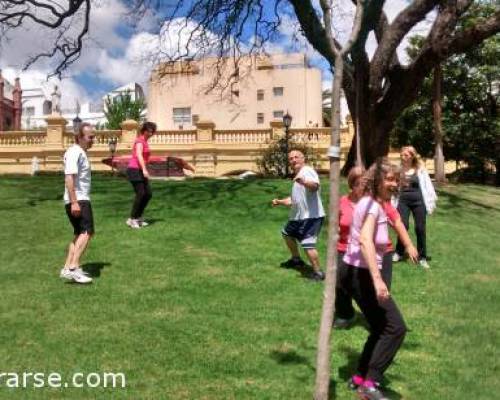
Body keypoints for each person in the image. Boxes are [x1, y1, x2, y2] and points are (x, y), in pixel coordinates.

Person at [341, 158, 407, 400]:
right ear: (376, 180)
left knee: (380, 326)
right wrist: (378, 280)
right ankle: (370, 385)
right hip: (362, 274)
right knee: (395, 327)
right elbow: (366, 240)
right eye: (389, 179)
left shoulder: (370, 203)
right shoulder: (372, 206)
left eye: (396, 180)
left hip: (353, 272)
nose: (394, 184)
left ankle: (360, 376)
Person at [334, 167, 418, 329]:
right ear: (352, 185)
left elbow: (397, 222)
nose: (364, 189)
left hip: (381, 250)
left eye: (366, 185)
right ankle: (345, 315)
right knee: (340, 284)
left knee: (380, 287)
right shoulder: (342, 202)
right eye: (360, 184)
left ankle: (379, 319)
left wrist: (408, 245)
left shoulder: (379, 202)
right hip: (346, 248)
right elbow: (336, 224)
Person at [272, 150, 326, 281]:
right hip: (298, 217)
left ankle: (318, 273)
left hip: (312, 216)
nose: (293, 160)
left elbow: (314, 186)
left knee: (307, 244)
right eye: (291, 158)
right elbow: (294, 199)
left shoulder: (307, 171)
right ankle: (296, 259)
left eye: (296, 157)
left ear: (303, 159)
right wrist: (280, 202)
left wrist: (303, 182)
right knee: (286, 233)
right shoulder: (298, 176)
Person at [59, 123, 95, 284]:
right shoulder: (75, 152)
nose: (93, 140)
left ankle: (67, 268)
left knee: (79, 233)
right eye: (90, 137)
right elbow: (69, 177)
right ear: (80, 137)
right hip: (78, 199)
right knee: (87, 232)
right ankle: (74, 267)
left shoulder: (79, 152)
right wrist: (74, 202)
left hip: (78, 198)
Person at [393, 146, 437, 269]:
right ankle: (399, 252)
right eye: (402, 155)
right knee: (403, 226)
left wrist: (431, 203)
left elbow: (428, 186)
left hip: (419, 202)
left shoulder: (420, 169)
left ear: (412, 156)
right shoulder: (398, 169)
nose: (403, 157)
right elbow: (393, 186)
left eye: (406, 155)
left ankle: (422, 257)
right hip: (402, 201)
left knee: (420, 228)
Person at [126, 121, 157, 229]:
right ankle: (132, 219)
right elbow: (139, 155)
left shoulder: (145, 142)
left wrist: (146, 167)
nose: (151, 133)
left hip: (140, 170)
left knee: (148, 194)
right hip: (134, 169)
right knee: (141, 193)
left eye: (152, 131)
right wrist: (144, 169)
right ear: (143, 131)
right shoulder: (140, 141)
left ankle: (138, 217)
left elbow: (144, 157)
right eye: (149, 131)